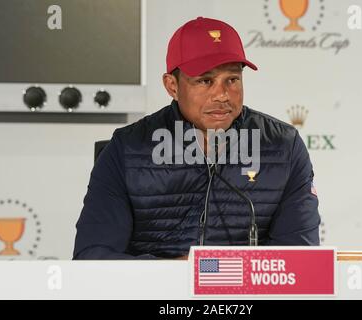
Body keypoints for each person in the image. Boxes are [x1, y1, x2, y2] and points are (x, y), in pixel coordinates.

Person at [73, 17, 320, 260]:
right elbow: (92, 256)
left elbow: (299, 260)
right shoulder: (127, 148)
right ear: (172, 85)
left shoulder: (283, 147)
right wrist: (177, 274)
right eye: (205, 81)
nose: (222, 95)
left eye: (232, 80)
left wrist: (223, 275)